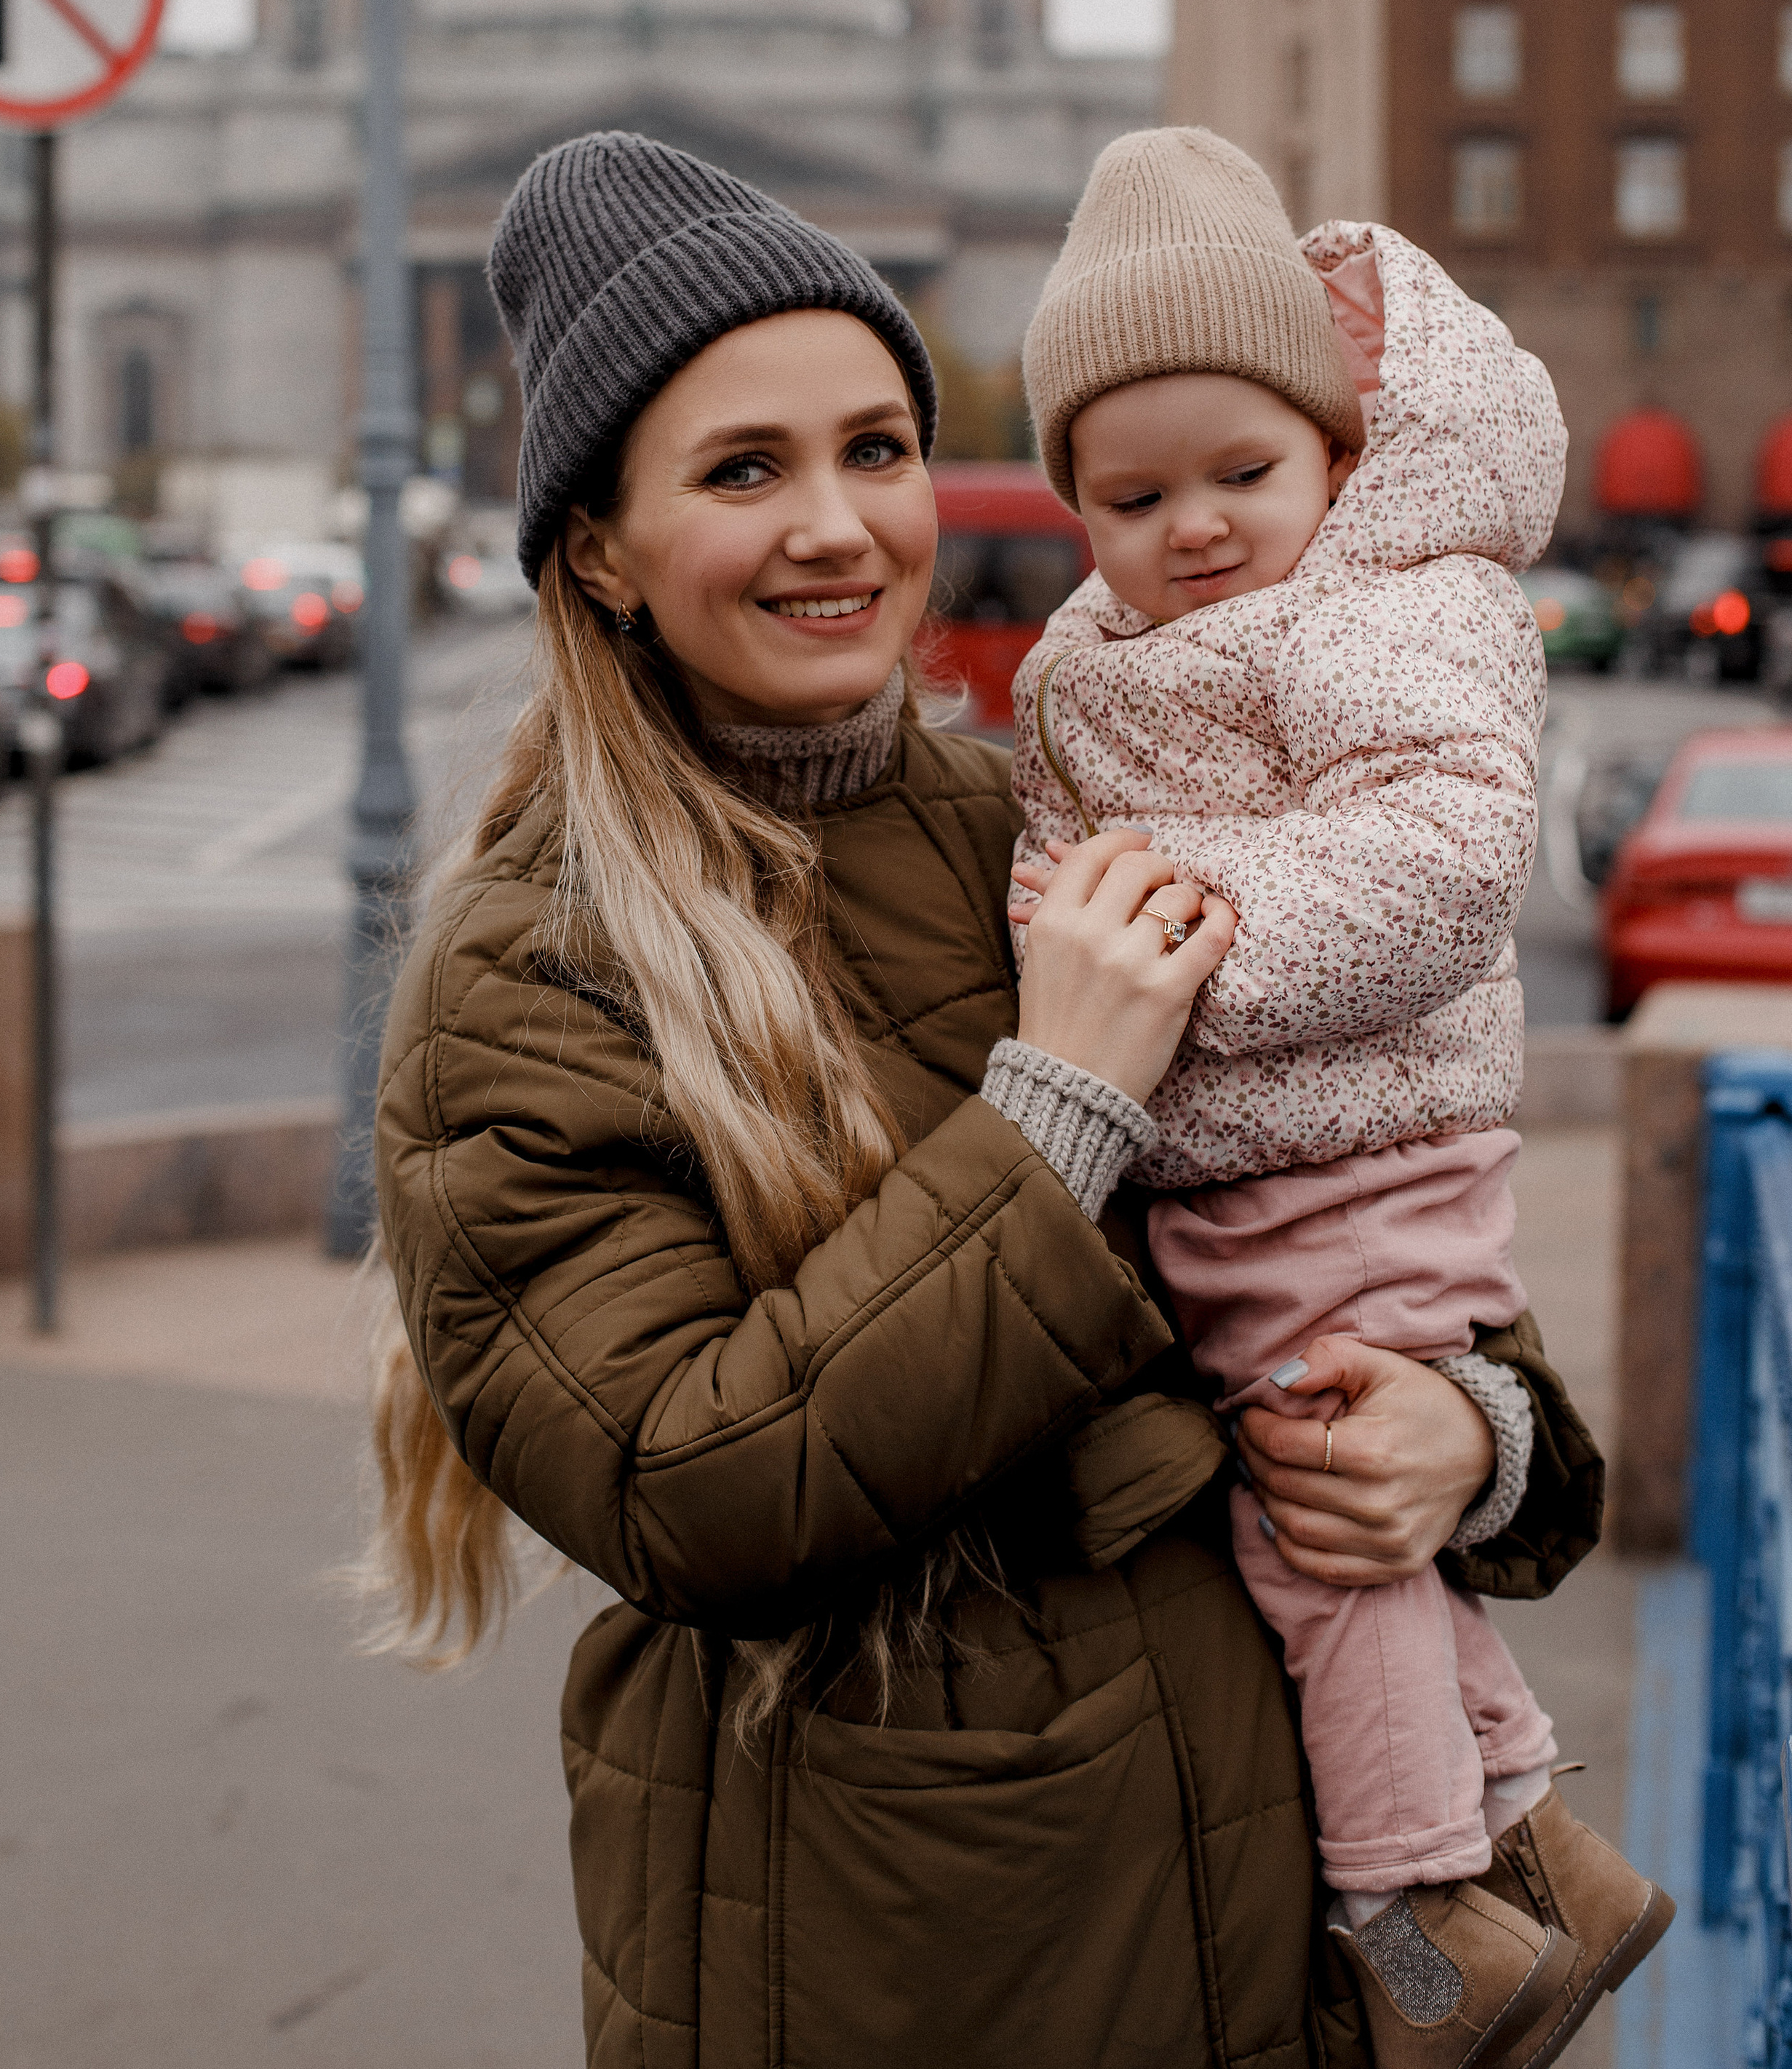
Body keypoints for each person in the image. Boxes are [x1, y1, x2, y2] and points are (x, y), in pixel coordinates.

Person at [371, 130, 1603, 2069]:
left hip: (1279, 1923)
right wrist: (1058, 1115)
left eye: (874, 448)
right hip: (925, 1959)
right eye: (743, 469)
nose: (840, 527)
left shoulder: (1047, 824)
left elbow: (1356, 1224)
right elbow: (688, 1489)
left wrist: (1481, 1436)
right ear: (596, 546)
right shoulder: (528, 979)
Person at [1008, 127, 1668, 2068]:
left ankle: (1409, 1920)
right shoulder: (1107, 654)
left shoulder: (1383, 605)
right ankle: (1543, 1847)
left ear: (1336, 454)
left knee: (1319, 1541)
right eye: (1134, 495)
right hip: (1292, 1168)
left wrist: (1141, 949)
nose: (1196, 523)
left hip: (1351, 1165)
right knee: (1343, 1511)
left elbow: (1444, 859)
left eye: (1244, 472)